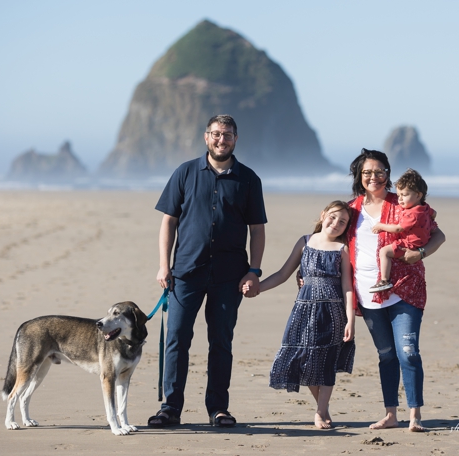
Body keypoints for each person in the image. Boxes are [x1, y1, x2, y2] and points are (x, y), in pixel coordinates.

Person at [149, 115, 267, 429]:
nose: (221, 139)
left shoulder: (249, 179)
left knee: (221, 342)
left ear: (235, 139)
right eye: (215, 134)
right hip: (186, 272)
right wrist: (164, 265)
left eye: (227, 135)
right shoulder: (185, 173)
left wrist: (254, 271)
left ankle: (218, 409)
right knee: (176, 339)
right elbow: (168, 222)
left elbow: (257, 230)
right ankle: (170, 408)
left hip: (230, 276)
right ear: (206, 137)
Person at [345, 149, 446, 432]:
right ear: (359, 176)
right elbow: (328, 240)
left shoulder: (404, 202)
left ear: (388, 174)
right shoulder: (350, 209)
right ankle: (391, 414)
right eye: (367, 172)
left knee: (408, 351)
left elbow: (439, 234)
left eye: (379, 171)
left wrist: (422, 253)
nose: (373, 177)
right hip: (367, 292)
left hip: (405, 289)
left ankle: (415, 416)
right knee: (387, 355)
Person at [257, 201, 358, 429]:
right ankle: (323, 409)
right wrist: (258, 288)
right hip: (303, 309)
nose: (336, 223)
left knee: (327, 361)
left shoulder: (342, 250)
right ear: (323, 215)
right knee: (305, 359)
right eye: (333, 217)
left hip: (332, 311)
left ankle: (320, 412)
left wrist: (350, 319)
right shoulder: (305, 242)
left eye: (342, 222)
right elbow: (283, 273)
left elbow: (347, 287)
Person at [369, 169, 436, 298]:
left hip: (409, 244)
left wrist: (381, 226)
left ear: (418, 195)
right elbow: (434, 213)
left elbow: (399, 228)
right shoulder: (425, 208)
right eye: (399, 195)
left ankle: (384, 280)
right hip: (421, 241)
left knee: (384, 252)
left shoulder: (412, 214)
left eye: (404, 195)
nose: (400, 200)